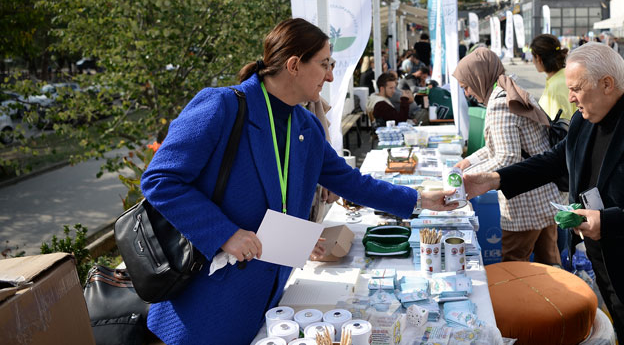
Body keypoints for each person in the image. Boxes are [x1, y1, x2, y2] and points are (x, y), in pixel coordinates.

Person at [140, 18, 457, 345]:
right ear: (293, 65)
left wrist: (419, 200)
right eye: (324, 64)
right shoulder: (220, 106)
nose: (331, 75)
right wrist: (225, 233)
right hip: (206, 304)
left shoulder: (304, 124)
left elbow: (351, 182)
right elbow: (160, 180)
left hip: (267, 300)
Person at [462, 44, 624, 345]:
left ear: (607, 84)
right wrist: (494, 179)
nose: (570, 96)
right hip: (604, 263)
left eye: (576, 88)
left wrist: (608, 222)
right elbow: (552, 162)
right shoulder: (582, 120)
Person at [451, 47, 562, 264]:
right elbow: (500, 147)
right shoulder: (507, 91)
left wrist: (468, 178)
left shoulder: (501, 103)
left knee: (514, 265)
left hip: (524, 204)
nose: (467, 94)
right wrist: (468, 162)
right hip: (545, 195)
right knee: (549, 264)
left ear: (479, 77)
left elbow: (506, 158)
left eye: (467, 87)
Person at [530, 34, 576, 121]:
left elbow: (562, 127)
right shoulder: (561, 77)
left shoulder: (557, 86)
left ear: (538, 58)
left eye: (532, 56)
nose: (532, 61)